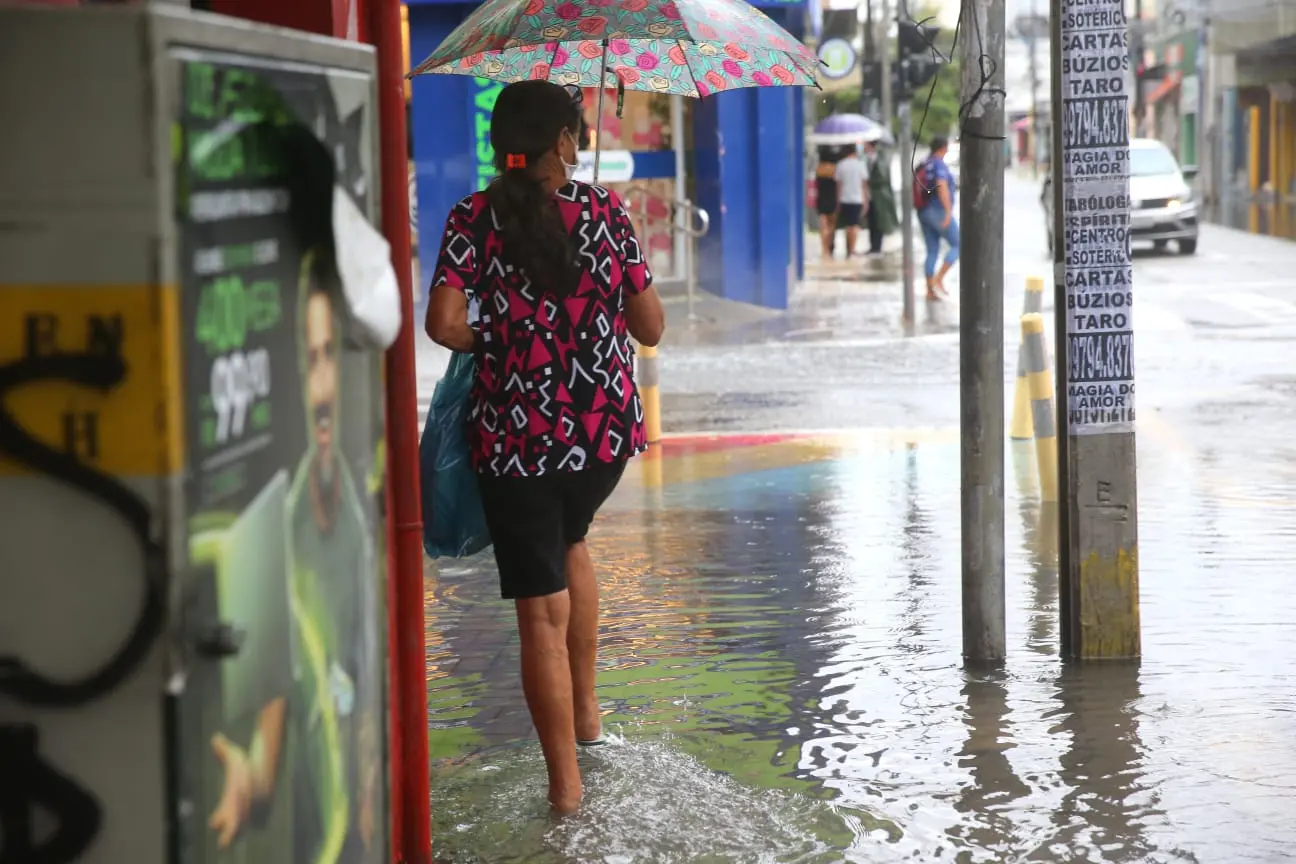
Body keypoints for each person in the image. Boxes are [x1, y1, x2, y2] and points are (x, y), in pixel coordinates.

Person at [425, 80, 664, 814]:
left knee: (539, 611)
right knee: (573, 541)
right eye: (577, 131)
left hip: (518, 442)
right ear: (563, 144)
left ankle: (566, 791)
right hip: (602, 437)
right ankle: (588, 716)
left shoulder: (473, 218)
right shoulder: (604, 213)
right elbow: (649, 327)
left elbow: (442, 323)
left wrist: (502, 339)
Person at [209, 252, 381, 863]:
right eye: (310, 362)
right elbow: (269, 734)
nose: (325, 386)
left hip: (357, 835)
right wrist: (247, 781)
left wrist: (367, 783)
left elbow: (363, 672)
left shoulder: (358, 521)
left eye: (330, 354)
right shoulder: (278, 534)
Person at [916, 135, 960, 299]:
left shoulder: (925, 163)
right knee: (959, 244)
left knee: (932, 250)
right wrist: (948, 212)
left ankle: (930, 290)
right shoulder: (939, 164)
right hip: (937, 210)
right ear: (943, 148)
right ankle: (938, 279)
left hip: (924, 211)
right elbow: (942, 187)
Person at [863, 139, 898, 256]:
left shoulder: (881, 159)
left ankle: (877, 247)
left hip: (880, 197)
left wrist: (869, 181)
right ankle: (873, 246)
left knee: (879, 222)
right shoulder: (866, 159)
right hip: (870, 196)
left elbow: (882, 177)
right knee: (871, 221)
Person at [834, 144, 869, 258]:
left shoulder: (840, 165)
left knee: (848, 226)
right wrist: (866, 200)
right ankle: (852, 250)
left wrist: (838, 201)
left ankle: (849, 248)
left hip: (844, 198)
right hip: (857, 199)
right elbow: (864, 185)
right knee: (855, 226)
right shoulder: (860, 165)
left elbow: (838, 185)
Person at [813, 145, 840, 259]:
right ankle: (830, 246)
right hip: (833, 198)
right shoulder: (835, 169)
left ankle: (825, 250)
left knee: (823, 225)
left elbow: (816, 184)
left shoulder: (819, 168)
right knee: (832, 225)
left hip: (822, 199)